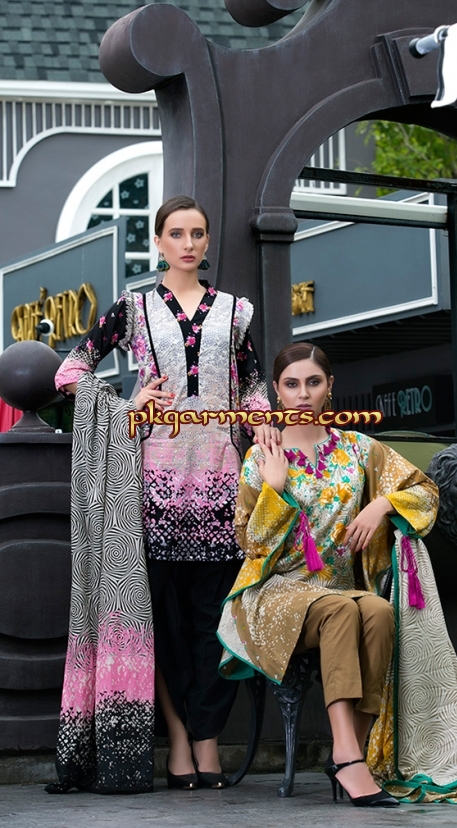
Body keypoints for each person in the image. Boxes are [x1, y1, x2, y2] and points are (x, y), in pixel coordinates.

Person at [50, 195, 276, 793]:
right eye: (176, 233)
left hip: (221, 486)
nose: (188, 243)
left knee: (214, 623)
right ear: (158, 242)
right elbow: (70, 373)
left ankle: (207, 743)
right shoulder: (134, 308)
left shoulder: (235, 313)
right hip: (151, 488)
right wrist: (129, 406)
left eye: (197, 233)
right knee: (165, 625)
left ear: (207, 241)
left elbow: (254, 388)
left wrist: (264, 425)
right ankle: (179, 742)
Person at [218, 342, 457, 806]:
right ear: (276, 391)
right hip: (272, 595)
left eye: (313, 382)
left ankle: (352, 748)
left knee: (376, 611)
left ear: (330, 386)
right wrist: (274, 488)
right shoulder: (262, 456)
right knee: (342, 610)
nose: (303, 394)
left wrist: (382, 504)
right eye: (291, 384)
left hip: (337, 592)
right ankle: (348, 757)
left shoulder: (359, 450)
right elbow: (251, 546)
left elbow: (426, 492)